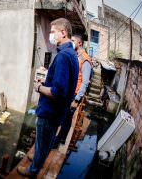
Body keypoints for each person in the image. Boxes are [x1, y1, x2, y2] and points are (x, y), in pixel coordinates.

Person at [17, 18, 79, 177]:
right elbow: (63, 85)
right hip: (58, 112)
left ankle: (33, 170)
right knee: (44, 141)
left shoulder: (63, 56)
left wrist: (39, 87)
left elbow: (56, 92)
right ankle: (37, 157)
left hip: (50, 112)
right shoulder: (71, 54)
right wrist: (47, 81)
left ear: (63, 33)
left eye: (53, 32)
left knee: (44, 141)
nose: (50, 35)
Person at [55, 34, 92, 145]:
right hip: (68, 91)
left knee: (67, 118)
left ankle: (59, 141)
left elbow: (85, 82)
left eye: (73, 41)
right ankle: (58, 137)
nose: (70, 43)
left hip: (75, 95)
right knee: (63, 115)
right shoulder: (75, 56)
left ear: (79, 43)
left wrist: (76, 100)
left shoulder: (85, 60)